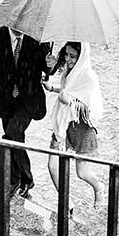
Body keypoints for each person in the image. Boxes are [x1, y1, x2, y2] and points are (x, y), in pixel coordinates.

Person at [0, 25, 52, 198]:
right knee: (17, 138)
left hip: (29, 100)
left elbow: (46, 70)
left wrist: (50, 66)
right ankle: (23, 178)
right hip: (6, 100)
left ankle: (12, 181)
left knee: (11, 135)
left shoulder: (38, 37)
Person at [42, 42, 104, 211]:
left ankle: (99, 188)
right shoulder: (69, 71)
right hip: (63, 125)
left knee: (82, 172)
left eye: (73, 56)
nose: (68, 60)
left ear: (81, 57)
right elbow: (66, 90)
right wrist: (52, 87)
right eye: (66, 55)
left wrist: (68, 101)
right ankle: (66, 201)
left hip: (81, 128)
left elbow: (91, 110)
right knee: (52, 166)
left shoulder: (89, 77)